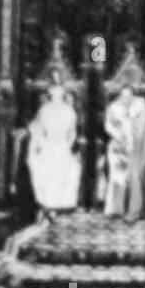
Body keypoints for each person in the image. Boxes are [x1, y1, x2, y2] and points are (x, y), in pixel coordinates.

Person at [27, 72, 81, 217]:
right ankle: (49, 204)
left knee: (65, 171)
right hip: (49, 144)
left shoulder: (69, 111)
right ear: (50, 93)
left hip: (62, 145)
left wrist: (67, 145)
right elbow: (38, 128)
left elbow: (73, 132)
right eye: (54, 92)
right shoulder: (45, 110)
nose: (57, 95)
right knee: (48, 171)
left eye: (60, 93)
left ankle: (61, 204)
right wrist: (40, 142)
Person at [104, 83, 145, 221]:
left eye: (129, 95)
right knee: (118, 177)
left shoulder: (143, 107)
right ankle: (116, 209)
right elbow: (109, 125)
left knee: (141, 176)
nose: (126, 98)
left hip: (139, 147)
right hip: (120, 147)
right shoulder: (114, 107)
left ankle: (139, 210)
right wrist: (119, 135)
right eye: (124, 95)